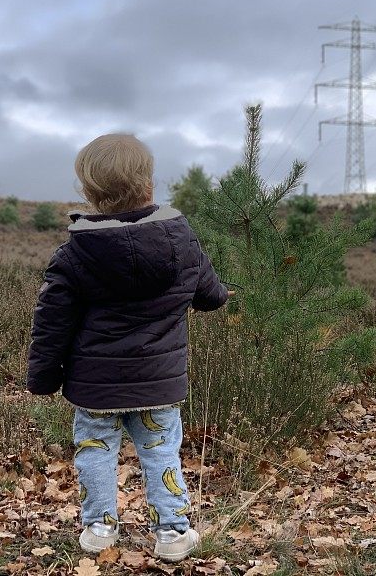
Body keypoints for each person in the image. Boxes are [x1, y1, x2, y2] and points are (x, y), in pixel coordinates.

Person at [26, 133, 229, 562]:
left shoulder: (74, 254)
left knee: (96, 451)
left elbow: (52, 323)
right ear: (149, 185)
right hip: (159, 386)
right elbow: (210, 296)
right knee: (160, 452)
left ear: (89, 194)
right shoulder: (182, 241)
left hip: (95, 386)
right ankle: (173, 532)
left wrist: (43, 377)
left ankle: (99, 527)